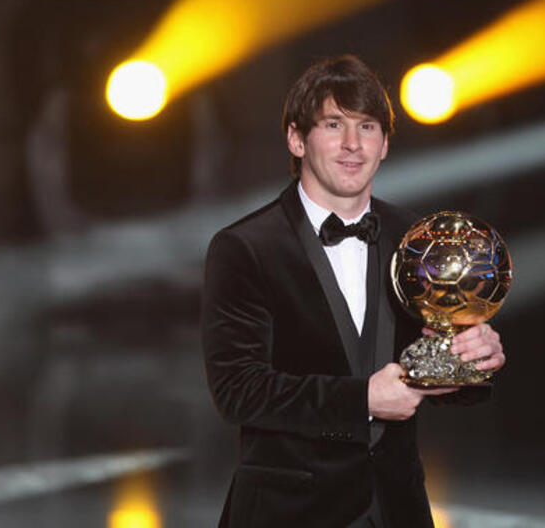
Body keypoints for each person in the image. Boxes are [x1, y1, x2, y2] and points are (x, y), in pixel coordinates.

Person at [201, 54, 505, 527]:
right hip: (288, 513)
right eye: (332, 124)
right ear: (296, 139)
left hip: (396, 508)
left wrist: (474, 360)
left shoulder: (417, 241)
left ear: (384, 145)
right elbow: (238, 391)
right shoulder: (244, 248)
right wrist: (360, 399)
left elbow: (430, 369)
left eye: (367, 127)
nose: (352, 144)